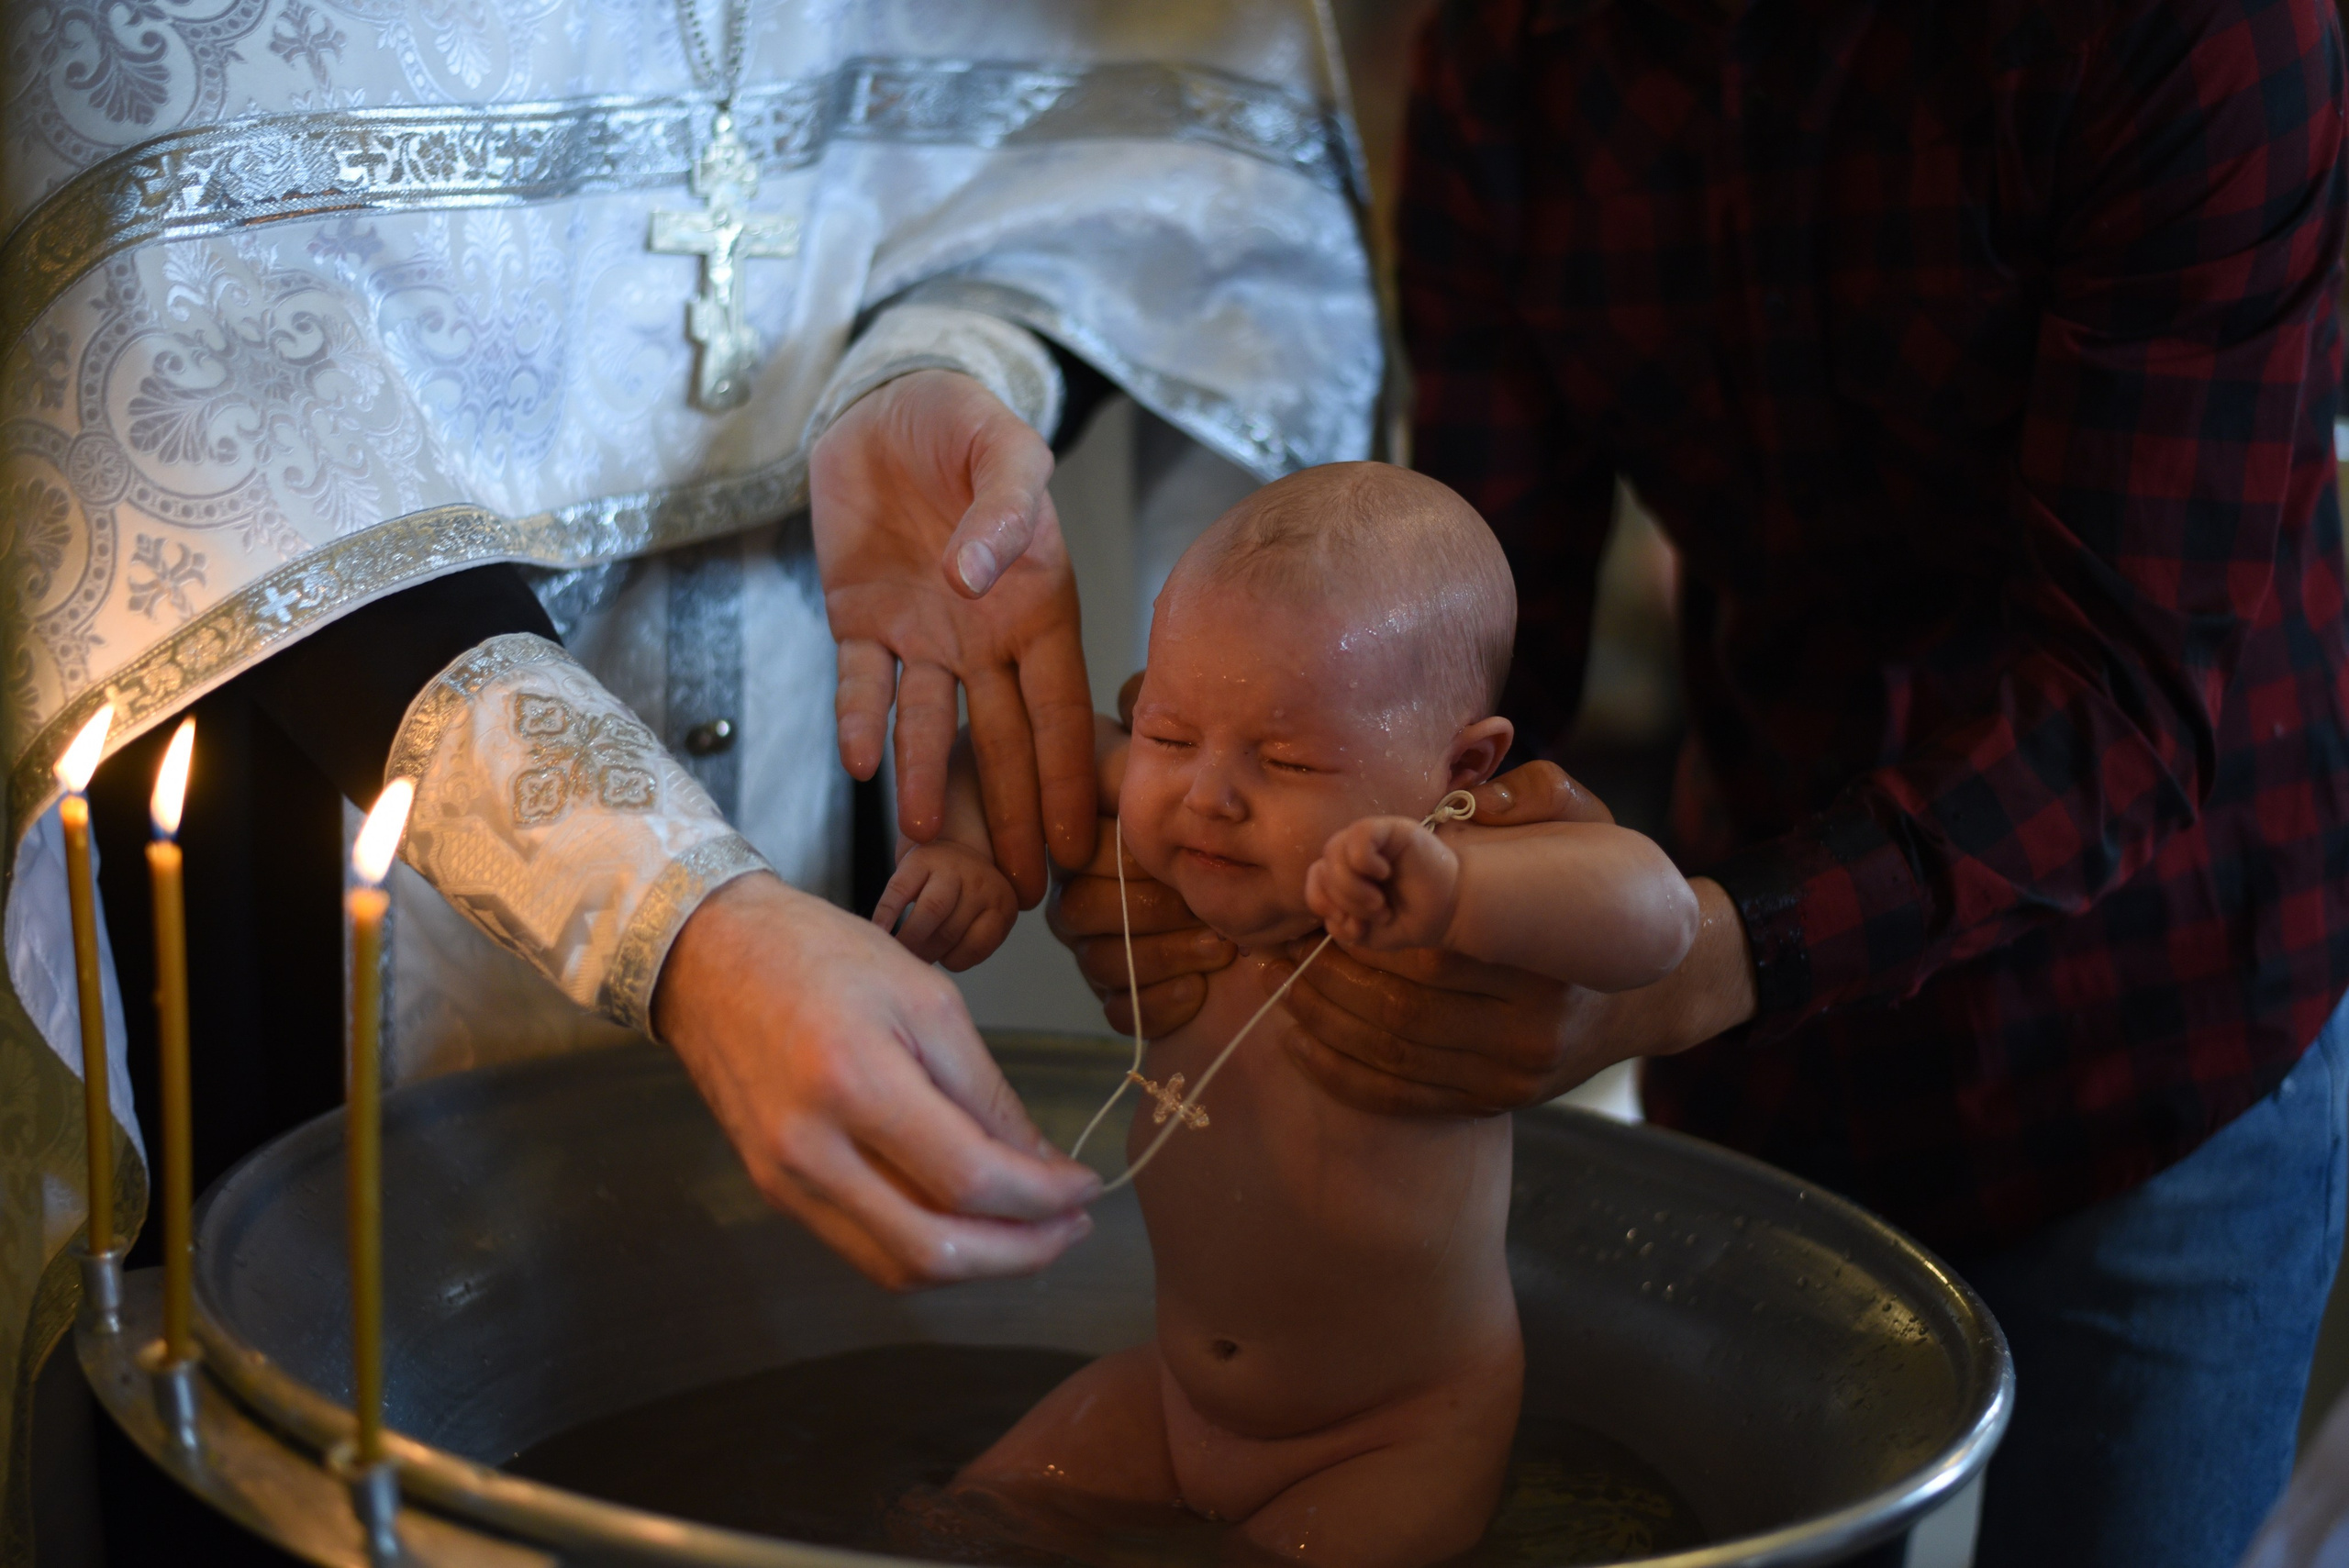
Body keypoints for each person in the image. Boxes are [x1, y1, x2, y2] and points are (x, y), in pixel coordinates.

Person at [1, 1, 1380, 1558]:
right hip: (300, 797)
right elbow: (198, 382)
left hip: (832, 663)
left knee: (785, 1409)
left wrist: (942, 359)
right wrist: (687, 920)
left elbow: (1129, 166)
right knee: (317, 1420)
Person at [1050, 3, 2349, 1564]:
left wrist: (1706, 954)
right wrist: (1249, 833)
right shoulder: (1514, 48)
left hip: (2157, 1022)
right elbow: (1476, 638)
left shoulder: (2190, 34)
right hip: (1774, 1044)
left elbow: (2121, 695)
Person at [882, 464, 1696, 1567]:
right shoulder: (1183, 806)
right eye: (1168, 734)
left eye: (1288, 759)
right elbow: (1007, 747)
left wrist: (1464, 889)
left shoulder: (1451, 876)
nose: (1207, 793)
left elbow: (1658, 914)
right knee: (960, 1524)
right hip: (1172, 1400)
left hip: (1395, 1437)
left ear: (1459, 767)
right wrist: (967, 849)